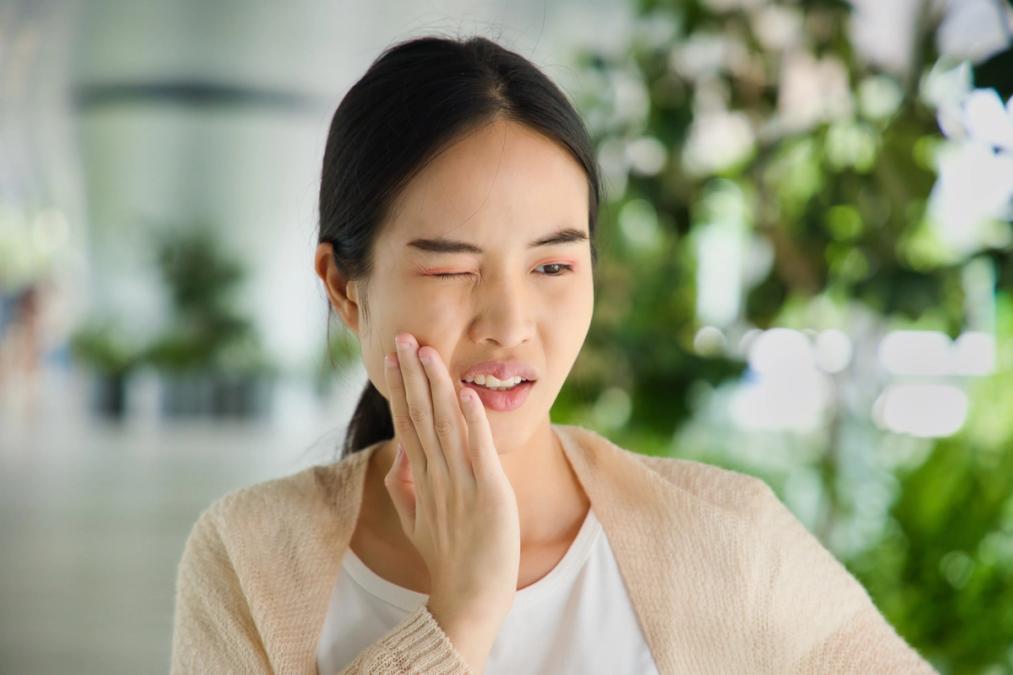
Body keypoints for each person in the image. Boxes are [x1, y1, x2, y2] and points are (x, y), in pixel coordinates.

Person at [170, 35, 937, 674]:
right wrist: (459, 615)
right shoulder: (248, 556)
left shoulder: (727, 538)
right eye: (449, 268)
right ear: (344, 288)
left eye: (553, 266)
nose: (510, 323)